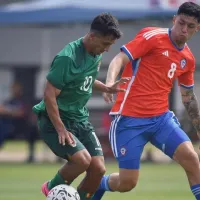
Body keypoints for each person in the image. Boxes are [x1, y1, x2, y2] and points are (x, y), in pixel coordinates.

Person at [93, 2, 200, 200]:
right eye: (181, 23)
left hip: (161, 120)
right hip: (129, 120)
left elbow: (188, 97)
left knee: (192, 160)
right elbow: (119, 59)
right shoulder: (153, 36)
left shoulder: (188, 59)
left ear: (197, 28)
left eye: (190, 26)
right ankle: (99, 183)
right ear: (174, 19)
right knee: (127, 183)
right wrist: (109, 83)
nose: (184, 30)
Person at [32, 13, 129, 200]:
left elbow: (85, 79)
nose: (108, 49)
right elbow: (49, 94)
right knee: (81, 161)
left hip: (80, 119)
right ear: (92, 36)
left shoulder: (95, 53)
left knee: (99, 169)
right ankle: (51, 188)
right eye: (106, 44)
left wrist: (106, 87)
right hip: (55, 121)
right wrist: (60, 128)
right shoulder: (67, 58)